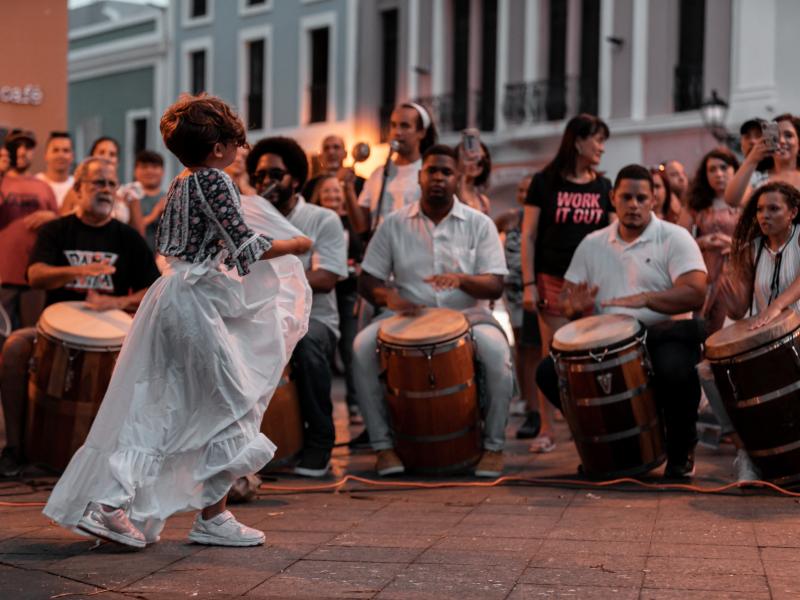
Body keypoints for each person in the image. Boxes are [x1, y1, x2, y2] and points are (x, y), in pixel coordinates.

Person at [42, 95, 312, 549]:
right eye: (235, 143)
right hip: (193, 305)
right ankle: (160, 510)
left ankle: (179, 509)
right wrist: (295, 243)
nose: (240, 151)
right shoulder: (216, 182)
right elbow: (246, 247)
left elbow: (177, 245)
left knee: (165, 399)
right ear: (219, 148)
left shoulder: (183, 182)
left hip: (172, 297)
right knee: (233, 400)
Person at [535, 164, 708, 479]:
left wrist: (647, 299)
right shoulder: (593, 243)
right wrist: (573, 308)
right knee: (548, 372)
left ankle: (681, 450)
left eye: (642, 197)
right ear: (612, 198)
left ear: (653, 199)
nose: (634, 205)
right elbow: (568, 301)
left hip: (661, 334)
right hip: (607, 344)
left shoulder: (674, 237)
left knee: (675, 367)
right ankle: (605, 447)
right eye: (626, 197)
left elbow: (696, 293)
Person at [352, 145, 513, 478]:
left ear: (457, 178)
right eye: (432, 171)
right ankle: (383, 447)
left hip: (469, 316)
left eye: (447, 172)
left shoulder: (479, 224)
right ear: (420, 176)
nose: (439, 177)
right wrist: (388, 298)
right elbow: (368, 279)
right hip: (407, 315)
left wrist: (462, 279)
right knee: (361, 348)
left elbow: (495, 284)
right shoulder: (394, 224)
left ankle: (494, 447)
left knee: (498, 355)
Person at [0, 156, 160, 479]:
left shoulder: (127, 237)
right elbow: (36, 275)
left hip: (113, 333)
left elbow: (154, 289)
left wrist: (117, 301)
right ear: (78, 188)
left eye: (111, 184)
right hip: (52, 332)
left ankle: (129, 454)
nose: (105, 190)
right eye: (97, 183)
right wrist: (78, 271)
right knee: (15, 346)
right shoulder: (57, 230)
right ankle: (15, 450)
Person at [247, 136, 348, 478]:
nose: (265, 183)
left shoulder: (322, 219)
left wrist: (278, 281)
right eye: (259, 176)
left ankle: (320, 440)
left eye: (275, 174)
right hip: (260, 316)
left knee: (305, 345)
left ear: (296, 179)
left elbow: (327, 278)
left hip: (313, 320)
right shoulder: (251, 219)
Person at [521, 114, 614, 454]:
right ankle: (547, 428)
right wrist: (528, 283)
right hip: (552, 278)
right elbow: (529, 235)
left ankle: (589, 425)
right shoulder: (544, 183)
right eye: (598, 140)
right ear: (577, 141)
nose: (602, 148)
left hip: (590, 283)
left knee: (591, 356)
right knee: (554, 356)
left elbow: (612, 237)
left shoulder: (604, 187)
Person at [712, 181, 800, 480]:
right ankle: (745, 452)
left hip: (795, 333)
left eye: (774, 209)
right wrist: (731, 300)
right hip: (764, 339)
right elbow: (739, 311)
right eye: (760, 210)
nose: (765, 215)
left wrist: (776, 309)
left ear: (793, 212)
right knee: (706, 372)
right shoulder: (753, 250)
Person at [310, 174, 365, 424]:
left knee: (351, 347)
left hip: (349, 291)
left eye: (336, 191)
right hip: (322, 292)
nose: (333, 196)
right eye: (327, 191)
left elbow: (361, 251)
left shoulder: (350, 222)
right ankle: (322, 410)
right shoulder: (313, 223)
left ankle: (355, 403)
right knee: (321, 352)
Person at [494, 174, 542, 439]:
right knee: (521, 344)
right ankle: (526, 399)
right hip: (511, 290)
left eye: (528, 189)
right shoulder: (508, 217)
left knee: (534, 346)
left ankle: (536, 402)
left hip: (530, 287)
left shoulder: (538, 219)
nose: (524, 194)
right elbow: (489, 233)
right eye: (521, 190)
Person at [0, 130, 58, 334]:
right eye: (18, 146)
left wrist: (52, 217)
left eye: (28, 147)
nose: (23, 151)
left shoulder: (44, 186)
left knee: (31, 337)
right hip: (3, 275)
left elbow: (60, 228)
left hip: (35, 274)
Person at [351, 102, 438, 234]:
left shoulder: (429, 172)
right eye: (393, 125)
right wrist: (347, 189)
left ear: (421, 132)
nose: (397, 132)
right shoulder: (378, 173)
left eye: (405, 126)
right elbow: (361, 226)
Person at [685, 148, 740, 333]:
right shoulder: (696, 204)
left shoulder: (747, 201)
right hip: (705, 274)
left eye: (724, 168)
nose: (718, 174)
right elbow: (679, 241)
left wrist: (733, 244)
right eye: (712, 169)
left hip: (738, 274)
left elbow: (761, 241)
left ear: (735, 170)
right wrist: (703, 242)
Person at [61, 136, 144, 235]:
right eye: (101, 152)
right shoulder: (77, 190)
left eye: (112, 154)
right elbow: (62, 225)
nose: (106, 157)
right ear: (91, 158)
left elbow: (138, 234)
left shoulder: (129, 194)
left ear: (118, 161)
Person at [725, 114, 800, 207]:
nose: (782, 141)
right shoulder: (756, 178)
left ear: (799, 142)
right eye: (776, 135)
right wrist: (752, 159)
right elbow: (732, 200)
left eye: (788, 135)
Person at [302, 135, 365, 201]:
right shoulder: (311, 185)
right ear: (320, 157)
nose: (331, 152)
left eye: (336, 147)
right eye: (326, 148)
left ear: (345, 154)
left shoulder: (361, 183)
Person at [133, 150, 166, 251]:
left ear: (163, 172)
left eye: (155, 167)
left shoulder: (171, 198)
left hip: (164, 260)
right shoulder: (129, 198)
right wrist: (153, 215)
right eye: (144, 167)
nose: (149, 171)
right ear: (135, 171)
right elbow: (128, 229)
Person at [35, 132, 75, 208]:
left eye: (65, 150)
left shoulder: (78, 186)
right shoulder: (34, 183)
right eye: (55, 150)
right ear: (45, 155)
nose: (61, 155)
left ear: (72, 156)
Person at [455, 140, 492, 214]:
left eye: (481, 160)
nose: (475, 164)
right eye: (470, 158)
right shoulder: (450, 195)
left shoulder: (483, 201)